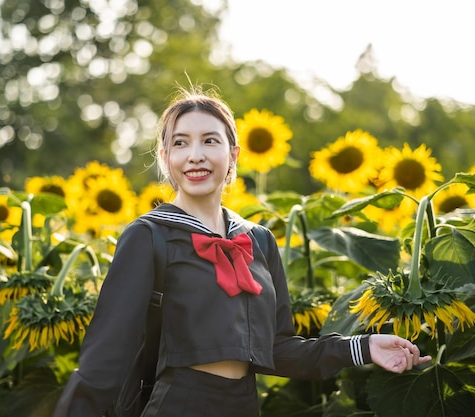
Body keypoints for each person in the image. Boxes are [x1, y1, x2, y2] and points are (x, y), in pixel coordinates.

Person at [52, 86, 432, 417]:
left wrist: (364, 347)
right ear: (165, 157)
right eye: (180, 143)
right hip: (177, 404)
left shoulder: (260, 240)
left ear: (233, 154)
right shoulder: (149, 236)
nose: (195, 155)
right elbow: (104, 358)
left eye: (210, 141)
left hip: (244, 405)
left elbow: (278, 349)